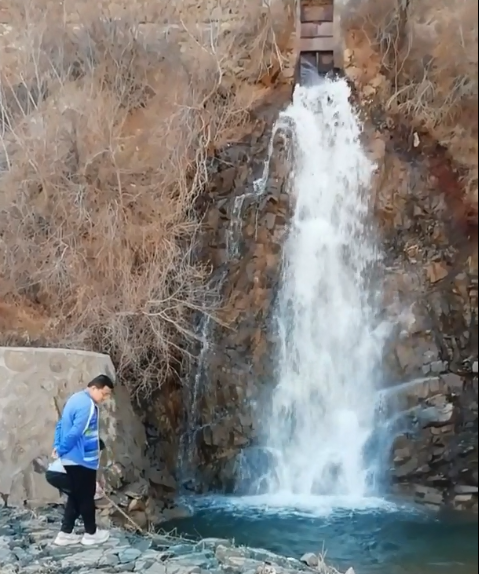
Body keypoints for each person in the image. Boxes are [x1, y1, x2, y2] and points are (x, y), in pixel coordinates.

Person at [51, 374, 114, 547]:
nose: (105, 398)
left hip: (74, 458)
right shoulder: (87, 404)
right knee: (86, 496)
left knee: (76, 496)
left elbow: (60, 425)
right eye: (104, 393)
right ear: (94, 388)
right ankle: (91, 534)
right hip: (82, 460)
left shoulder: (75, 399)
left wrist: (58, 446)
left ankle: (65, 533)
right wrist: (62, 449)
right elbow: (77, 431)